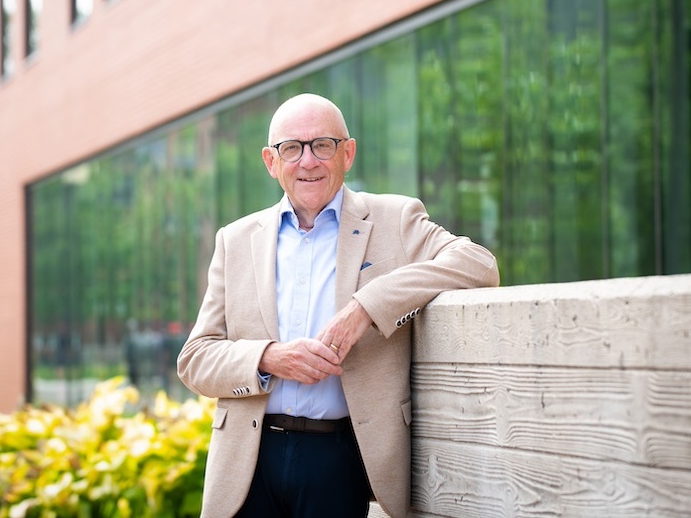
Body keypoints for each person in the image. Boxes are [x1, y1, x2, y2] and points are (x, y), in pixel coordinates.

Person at [177, 93, 499, 518]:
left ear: (347, 153)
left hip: (340, 457)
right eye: (291, 148)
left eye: (322, 145)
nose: (307, 161)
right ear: (271, 162)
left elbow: (478, 263)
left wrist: (367, 306)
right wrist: (270, 358)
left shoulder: (394, 219)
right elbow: (195, 360)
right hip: (247, 462)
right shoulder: (235, 241)